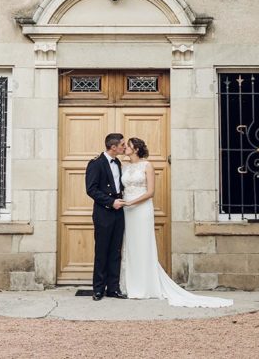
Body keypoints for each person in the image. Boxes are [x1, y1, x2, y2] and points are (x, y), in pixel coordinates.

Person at [121, 137, 233, 308]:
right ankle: (130, 285)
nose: (124, 148)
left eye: (127, 146)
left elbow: (150, 192)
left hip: (141, 209)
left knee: (143, 244)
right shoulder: (124, 166)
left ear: (135, 149)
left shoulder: (147, 166)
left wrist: (131, 202)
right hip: (126, 211)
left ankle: (146, 286)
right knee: (130, 245)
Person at [85, 132, 127, 301]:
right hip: (104, 212)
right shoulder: (96, 163)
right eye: (122, 145)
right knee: (102, 251)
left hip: (119, 213)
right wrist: (111, 202)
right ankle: (98, 289)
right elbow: (91, 189)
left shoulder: (117, 162)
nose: (125, 147)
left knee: (116, 251)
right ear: (113, 146)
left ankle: (113, 288)